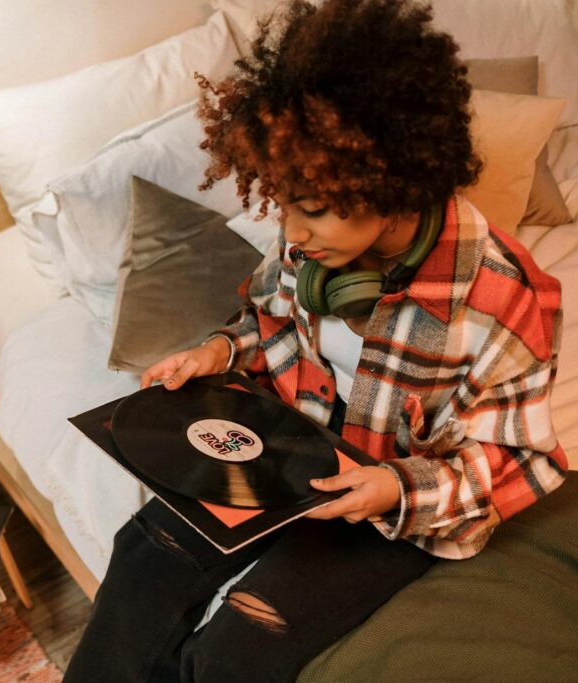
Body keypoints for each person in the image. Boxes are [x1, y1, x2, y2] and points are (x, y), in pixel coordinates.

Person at [64, 0, 568, 681]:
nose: (291, 231)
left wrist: (391, 488)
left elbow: (517, 460)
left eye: (312, 208)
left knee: (239, 642)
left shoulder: (506, 297)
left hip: (394, 503)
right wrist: (221, 352)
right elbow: (267, 325)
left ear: (391, 182)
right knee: (143, 552)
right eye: (286, 201)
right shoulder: (314, 243)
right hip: (295, 447)